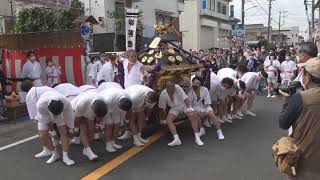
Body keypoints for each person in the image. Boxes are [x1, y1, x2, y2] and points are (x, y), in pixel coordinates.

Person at [278, 58, 320, 179]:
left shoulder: (299, 98)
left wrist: (288, 101)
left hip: (305, 162)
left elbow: (283, 123)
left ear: (307, 78)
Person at [22, 80, 75, 166]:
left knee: (63, 133)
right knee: (43, 135)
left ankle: (66, 156)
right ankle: (54, 153)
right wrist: (53, 132)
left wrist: (71, 129)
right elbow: (47, 122)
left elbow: (69, 117)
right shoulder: (41, 105)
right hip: (45, 111)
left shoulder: (65, 102)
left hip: (60, 112)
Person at [159, 81, 203, 146]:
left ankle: (197, 138)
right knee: (168, 120)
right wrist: (163, 119)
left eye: (173, 89)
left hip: (184, 105)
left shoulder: (177, 87)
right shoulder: (163, 94)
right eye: (171, 90)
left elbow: (186, 99)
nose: (173, 90)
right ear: (167, 89)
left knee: (192, 115)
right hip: (174, 108)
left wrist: (189, 109)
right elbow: (162, 109)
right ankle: (176, 139)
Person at [71, 90, 108, 160]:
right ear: (92, 107)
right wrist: (75, 130)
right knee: (83, 128)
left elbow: (100, 116)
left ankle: (86, 148)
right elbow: (77, 119)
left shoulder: (103, 103)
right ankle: (88, 150)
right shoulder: (81, 103)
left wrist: (97, 126)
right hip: (75, 110)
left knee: (91, 130)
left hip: (88, 111)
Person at [99, 84, 132, 152]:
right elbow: (103, 112)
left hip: (115, 105)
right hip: (105, 106)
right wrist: (101, 123)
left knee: (118, 124)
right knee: (109, 125)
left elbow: (124, 112)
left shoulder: (128, 98)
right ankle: (108, 145)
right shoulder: (107, 99)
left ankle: (113, 142)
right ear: (119, 104)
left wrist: (122, 123)